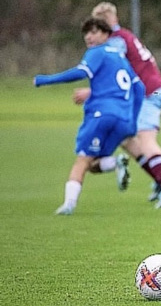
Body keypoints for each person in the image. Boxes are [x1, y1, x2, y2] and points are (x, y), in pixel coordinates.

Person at [71, 1, 161, 209]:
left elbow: (115, 75)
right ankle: (160, 180)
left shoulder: (115, 42)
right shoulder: (126, 35)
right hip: (158, 89)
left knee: (145, 139)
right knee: (127, 139)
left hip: (150, 91)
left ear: (110, 22)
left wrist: (91, 92)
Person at [33, 17, 145, 215]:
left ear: (106, 34)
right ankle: (116, 162)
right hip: (123, 119)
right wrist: (133, 123)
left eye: (94, 32)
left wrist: (45, 80)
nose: (89, 37)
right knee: (93, 165)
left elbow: (80, 72)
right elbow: (140, 87)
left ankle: (68, 205)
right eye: (86, 33)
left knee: (82, 160)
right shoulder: (120, 58)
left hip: (101, 115)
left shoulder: (97, 53)